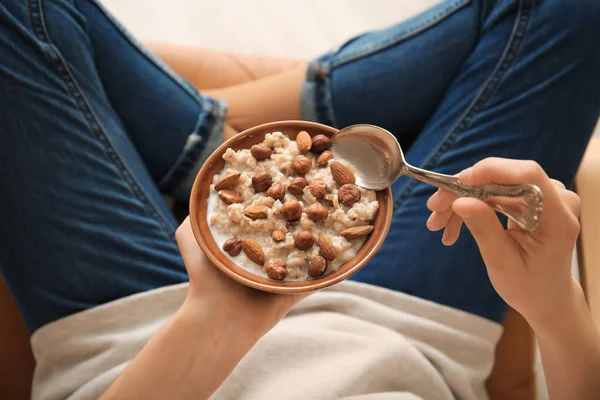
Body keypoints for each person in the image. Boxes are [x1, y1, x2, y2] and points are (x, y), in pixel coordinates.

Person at [1, 0, 600, 399]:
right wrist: (556, 308)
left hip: (139, 342)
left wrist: (214, 326)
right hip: (405, 333)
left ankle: (205, 149)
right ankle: (223, 149)